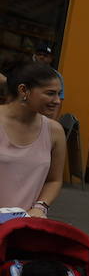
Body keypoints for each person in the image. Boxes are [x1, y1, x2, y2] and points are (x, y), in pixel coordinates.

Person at [0, 63, 66, 216]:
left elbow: (54, 180)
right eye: (50, 93)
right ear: (24, 90)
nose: (57, 101)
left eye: (59, 94)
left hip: (24, 227)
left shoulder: (55, 131)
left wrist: (40, 207)